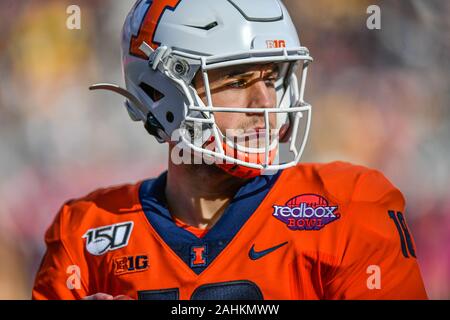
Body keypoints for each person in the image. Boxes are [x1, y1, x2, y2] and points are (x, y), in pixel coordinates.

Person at [32, 0, 427, 300]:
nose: (265, 103)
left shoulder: (347, 207)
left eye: (271, 78)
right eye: (238, 79)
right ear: (160, 93)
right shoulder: (85, 234)